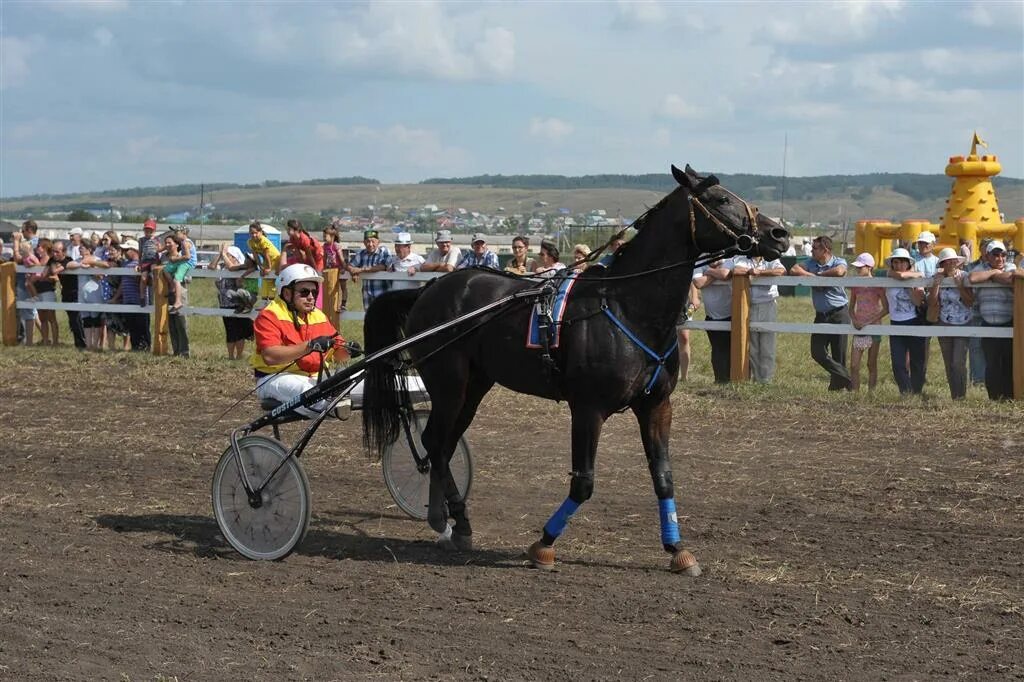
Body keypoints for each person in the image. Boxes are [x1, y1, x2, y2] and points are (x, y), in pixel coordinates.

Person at [251, 264, 352, 418]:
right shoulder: (269, 315)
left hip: (314, 378)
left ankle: (338, 398)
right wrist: (310, 346)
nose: (311, 297)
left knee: (371, 384)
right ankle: (335, 403)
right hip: (275, 378)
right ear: (286, 293)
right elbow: (270, 356)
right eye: (304, 292)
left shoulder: (318, 316)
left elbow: (339, 353)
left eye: (314, 291)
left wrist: (347, 350)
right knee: (314, 396)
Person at [790, 235, 852, 390]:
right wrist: (813, 276)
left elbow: (839, 272)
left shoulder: (839, 261)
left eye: (815, 248)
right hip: (821, 315)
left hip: (839, 313)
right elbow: (793, 269)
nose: (811, 251)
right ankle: (847, 378)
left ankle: (837, 387)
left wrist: (819, 277)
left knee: (839, 353)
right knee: (817, 351)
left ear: (825, 250)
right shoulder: (811, 263)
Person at [968, 240, 1017, 400]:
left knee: (1009, 362)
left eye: (1003, 254)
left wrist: (990, 276)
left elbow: (1011, 279)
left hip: (1009, 323)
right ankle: (995, 398)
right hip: (988, 324)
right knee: (992, 363)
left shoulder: (1011, 267)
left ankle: (1009, 397)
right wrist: (994, 273)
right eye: (996, 255)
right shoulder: (979, 268)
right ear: (987, 256)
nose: (1000, 258)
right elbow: (973, 278)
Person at [731, 253, 785, 382]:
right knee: (753, 346)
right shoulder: (742, 259)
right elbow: (735, 270)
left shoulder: (771, 258)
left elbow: (781, 270)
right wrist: (750, 271)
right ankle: (756, 377)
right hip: (750, 305)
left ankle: (766, 379)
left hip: (768, 304)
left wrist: (760, 273)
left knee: (767, 345)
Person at [927, 247, 973, 399]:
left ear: (957, 262)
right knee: (948, 363)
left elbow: (970, 302)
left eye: (953, 261)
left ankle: (961, 395)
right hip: (944, 323)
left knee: (958, 362)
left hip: (963, 323)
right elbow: (932, 303)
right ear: (943, 263)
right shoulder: (938, 277)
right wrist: (936, 285)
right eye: (947, 261)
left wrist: (959, 286)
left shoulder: (965, 276)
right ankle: (955, 396)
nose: (951, 264)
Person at [884, 248, 927, 395]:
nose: (898, 265)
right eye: (895, 262)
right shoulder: (889, 274)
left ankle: (916, 391)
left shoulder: (916, 280)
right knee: (897, 362)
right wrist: (912, 276)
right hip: (895, 322)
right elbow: (901, 275)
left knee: (917, 361)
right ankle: (906, 391)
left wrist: (910, 285)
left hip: (914, 321)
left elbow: (917, 302)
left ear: (908, 263)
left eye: (902, 262)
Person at [848, 253, 886, 391]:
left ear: (869, 267)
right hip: (859, 327)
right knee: (854, 365)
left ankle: (871, 393)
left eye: (861, 267)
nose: (858, 270)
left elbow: (886, 308)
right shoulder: (856, 286)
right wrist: (854, 320)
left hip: (874, 327)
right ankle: (855, 393)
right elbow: (851, 307)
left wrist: (870, 321)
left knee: (871, 363)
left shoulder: (877, 285)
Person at [693, 257, 735, 384]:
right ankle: (720, 380)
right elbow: (698, 283)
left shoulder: (729, 259)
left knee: (730, 349)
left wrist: (709, 272)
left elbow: (725, 274)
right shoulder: (700, 261)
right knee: (717, 349)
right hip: (711, 316)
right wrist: (717, 274)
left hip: (730, 315)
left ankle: (730, 379)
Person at [210, 243, 254, 360]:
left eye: (229, 255)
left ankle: (239, 355)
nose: (226, 257)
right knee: (230, 331)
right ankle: (230, 356)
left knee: (239, 332)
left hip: (236, 303)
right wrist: (220, 254)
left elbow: (239, 282)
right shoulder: (222, 268)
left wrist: (224, 253)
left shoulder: (238, 267)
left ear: (234, 257)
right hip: (224, 304)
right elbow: (211, 266)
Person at [113, 240, 150, 351]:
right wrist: (116, 298)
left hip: (139, 300)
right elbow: (123, 284)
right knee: (132, 326)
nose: (124, 252)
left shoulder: (141, 263)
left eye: (126, 250)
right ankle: (135, 347)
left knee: (142, 326)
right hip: (127, 300)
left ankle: (145, 347)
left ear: (134, 250)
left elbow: (145, 280)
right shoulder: (125, 264)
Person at [50, 240, 87, 350]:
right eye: (53, 251)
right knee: (72, 320)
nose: (54, 254)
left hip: (75, 293)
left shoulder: (68, 260)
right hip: (66, 293)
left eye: (57, 252)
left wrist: (58, 268)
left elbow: (67, 265)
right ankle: (78, 343)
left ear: (64, 252)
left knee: (76, 320)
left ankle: (82, 343)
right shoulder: (52, 260)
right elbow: (50, 269)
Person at [346, 228, 393, 311]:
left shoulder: (384, 251)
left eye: (373, 241)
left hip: (383, 293)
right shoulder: (361, 253)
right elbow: (350, 265)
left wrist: (360, 270)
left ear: (378, 242)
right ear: (364, 243)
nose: (370, 244)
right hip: (367, 294)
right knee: (369, 318)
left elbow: (383, 266)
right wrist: (353, 272)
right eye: (367, 241)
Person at [30, 239, 60, 346]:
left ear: (45, 248)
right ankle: (46, 340)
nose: (37, 248)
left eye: (39, 246)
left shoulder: (50, 260)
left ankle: (56, 342)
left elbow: (56, 278)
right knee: (42, 318)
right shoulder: (38, 260)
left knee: (51, 318)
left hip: (48, 291)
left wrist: (44, 278)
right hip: (38, 292)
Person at [243, 221, 282, 300]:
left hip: (275, 259)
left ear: (260, 232)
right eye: (251, 233)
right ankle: (264, 300)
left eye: (256, 233)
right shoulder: (250, 242)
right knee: (264, 277)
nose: (254, 235)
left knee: (270, 279)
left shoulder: (263, 241)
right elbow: (255, 255)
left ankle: (271, 301)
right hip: (266, 260)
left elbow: (267, 254)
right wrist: (260, 267)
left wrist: (269, 268)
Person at [162, 225, 196, 313]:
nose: (175, 235)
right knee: (166, 270)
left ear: (184, 233)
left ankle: (178, 301)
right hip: (183, 261)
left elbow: (188, 257)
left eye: (177, 233)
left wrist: (175, 259)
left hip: (188, 263)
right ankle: (173, 287)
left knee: (177, 278)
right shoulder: (183, 242)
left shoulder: (185, 242)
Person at [676, 280, 701, 382]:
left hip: (684, 304)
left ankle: (684, 377)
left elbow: (690, 279)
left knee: (684, 338)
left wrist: (694, 298)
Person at [322, 224, 349, 311]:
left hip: (339, 269)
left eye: (325, 236)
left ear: (332, 236)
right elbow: (325, 258)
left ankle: (343, 304)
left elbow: (341, 258)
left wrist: (344, 268)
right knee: (332, 288)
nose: (324, 237)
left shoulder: (336, 246)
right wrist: (324, 267)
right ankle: (331, 305)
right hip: (331, 269)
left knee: (343, 287)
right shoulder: (325, 246)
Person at [138, 218, 162, 306]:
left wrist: (160, 253)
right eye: (146, 230)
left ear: (154, 231)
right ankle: (142, 297)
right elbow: (140, 252)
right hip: (145, 260)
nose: (148, 232)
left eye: (150, 231)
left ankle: (157, 294)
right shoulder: (141, 240)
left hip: (154, 259)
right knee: (143, 278)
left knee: (154, 272)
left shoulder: (157, 239)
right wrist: (139, 263)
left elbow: (160, 250)